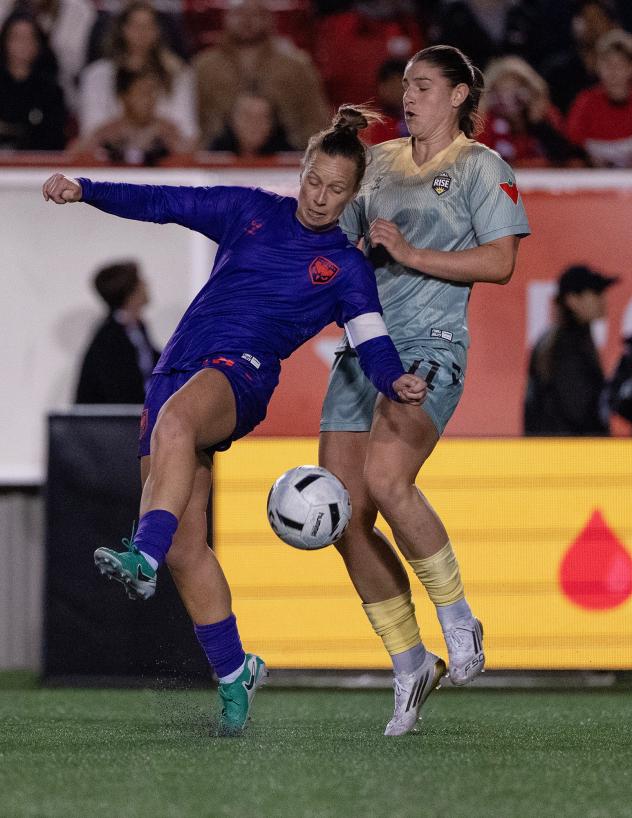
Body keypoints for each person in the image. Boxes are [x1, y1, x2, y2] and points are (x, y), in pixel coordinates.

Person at [42, 106, 427, 735]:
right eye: (314, 183)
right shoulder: (249, 210)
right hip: (175, 370)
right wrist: (87, 189)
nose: (321, 199)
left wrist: (394, 380)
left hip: (240, 375)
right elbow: (165, 200)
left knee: (176, 428)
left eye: (336, 190)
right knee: (188, 546)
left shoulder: (348, 268)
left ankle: (141, 551)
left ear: (353, 194)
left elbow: (372, 338)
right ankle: (234, 672)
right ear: (300, 173)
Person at [319, 45, 530, 737]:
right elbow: (339, 247)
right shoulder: (376, 163)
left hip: (432, 347)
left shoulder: (481, 167)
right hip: (362, 351)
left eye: (426, 86)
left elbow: (500, 263)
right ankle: (411, 663)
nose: (410, 97)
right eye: (406, 86)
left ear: (462, 95)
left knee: (386, 477)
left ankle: (457, 614)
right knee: (342, 516)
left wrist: (410, 254)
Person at [193, 0, 329, 151]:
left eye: (255, 14)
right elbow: (194, 118)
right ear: (226, 17)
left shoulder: (297, 66)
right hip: (217, 156)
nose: (247, 20)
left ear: (269, 18)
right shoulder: (204, 66)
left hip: (288, 155)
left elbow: (315, 117)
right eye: (240, 13)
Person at [77, 1, 196, 141]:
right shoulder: (97, 75)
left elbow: (187, 133)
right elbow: (90, 132)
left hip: (164, 156)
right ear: (122, 30)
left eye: (148, 26)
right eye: (135, 26)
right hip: (110, 156)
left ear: (157, 31)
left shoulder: (179, 74)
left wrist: (153, 130)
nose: (142, 33)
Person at [524, 265, 618, 436]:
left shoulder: (561, 340)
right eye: (596, 293)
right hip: (566, 456)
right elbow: (579, 412)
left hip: (556, 453)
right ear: (573, 300)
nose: (602, 299)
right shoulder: (564, 347)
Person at [69, 67, 194, 165]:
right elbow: (73, 154)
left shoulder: (167, 130)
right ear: (124, 97)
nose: (149, 100)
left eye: (152, 93)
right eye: (142, 93)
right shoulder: (108, 131)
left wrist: (171, 141)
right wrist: (99, 140)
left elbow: (191, 156)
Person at [76, 260, 160, 404]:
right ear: (130, 293)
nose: (146, 284)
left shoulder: (137, 329)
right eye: (140, 281)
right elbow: (119, 388)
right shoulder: (110, 337)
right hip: (111, 423)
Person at [478, 55, 585, 167]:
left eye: (516, 90)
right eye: (502, 91)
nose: (508, 99)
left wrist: (538, 123)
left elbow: (567, 156)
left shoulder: (546, 115)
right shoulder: (481, 122)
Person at [0, 11, 67, 150]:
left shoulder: (51, 91)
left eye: (29, 38)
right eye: (17, 38)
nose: (23, 45)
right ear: (5, 42)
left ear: (38, 43)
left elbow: (54, 139)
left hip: (37, 165)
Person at [567, 29, 632, 168]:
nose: (613, 71)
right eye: (607, 65)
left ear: (630, 68)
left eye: (619, 65)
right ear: (598, 67)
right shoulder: (585, 101)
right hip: (593, 175)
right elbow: (573, 142)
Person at [208, 91, 294, 157]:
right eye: (247, 116)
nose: (254, 124)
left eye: (262, 117)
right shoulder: (212, 157)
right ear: (231, 121)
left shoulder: (291, 160)